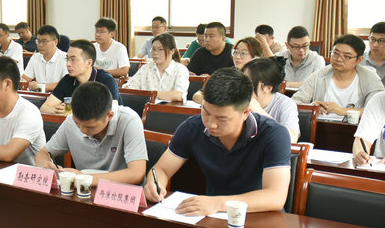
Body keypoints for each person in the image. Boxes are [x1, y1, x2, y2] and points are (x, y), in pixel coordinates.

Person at [143, 67, 291, 215]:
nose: (211, 124)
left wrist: (218, 203)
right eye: (206, 112)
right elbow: (162, 169)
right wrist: (154, 184)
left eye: (222, 118)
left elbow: (275, 197)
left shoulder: (274, 134)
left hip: (259, 216)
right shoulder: (193, 127)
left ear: (245, 113)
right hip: (212, 214)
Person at [36, 82, 147, 183]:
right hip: (84, 191)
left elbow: (136, 174)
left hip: (119, 192)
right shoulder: (70, 122)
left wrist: (84, 178)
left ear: (109, 116)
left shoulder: (129, 120)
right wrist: (46, 165)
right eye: (78, 124)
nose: (82, 130)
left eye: (89, 127)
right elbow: (43, 153)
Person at [292, 34, 384, 120]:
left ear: (359, 60)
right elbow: (295, 102)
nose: (339, 59)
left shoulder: (370, 79)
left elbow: (377, 110)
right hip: (320, 126)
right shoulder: (319, 75)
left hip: (355, 128)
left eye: (347, 56)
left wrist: (343, 111)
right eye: (335, 53)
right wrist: (312, 107)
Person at [40, 39, 120, 114]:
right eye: (67, 59)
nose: (68, 64)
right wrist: (61, 111)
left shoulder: (106, 80)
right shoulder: (68, 80)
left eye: (73, 59)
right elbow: (44, 108)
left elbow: (111, 110)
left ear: (88, 63)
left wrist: (74, 112)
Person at [243, 58, 300, 143]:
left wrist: (259, 111)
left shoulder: (286, 104)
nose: (242, 87)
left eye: (248, 83)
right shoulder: (238, 100)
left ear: (268, 88)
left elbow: (292, 138)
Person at [123, 33, 189, 102]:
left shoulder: (181, 70)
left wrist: (152, 94)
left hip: (170, 108)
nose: (155, 53)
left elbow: (178, 95)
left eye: (160, 49)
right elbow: (129, 87)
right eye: (153, 49)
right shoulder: (146, 68)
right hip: (145, 107)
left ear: (172, 51)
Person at [22, 25, 67, 92]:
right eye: (38, 41)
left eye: (44, 41)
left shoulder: (65, 58)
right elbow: (25, 79)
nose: (40, 45)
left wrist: (41, 86)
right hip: (39, 95)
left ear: (55, 42)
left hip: (59, 96)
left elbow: (66, 84)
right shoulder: (35, 57)